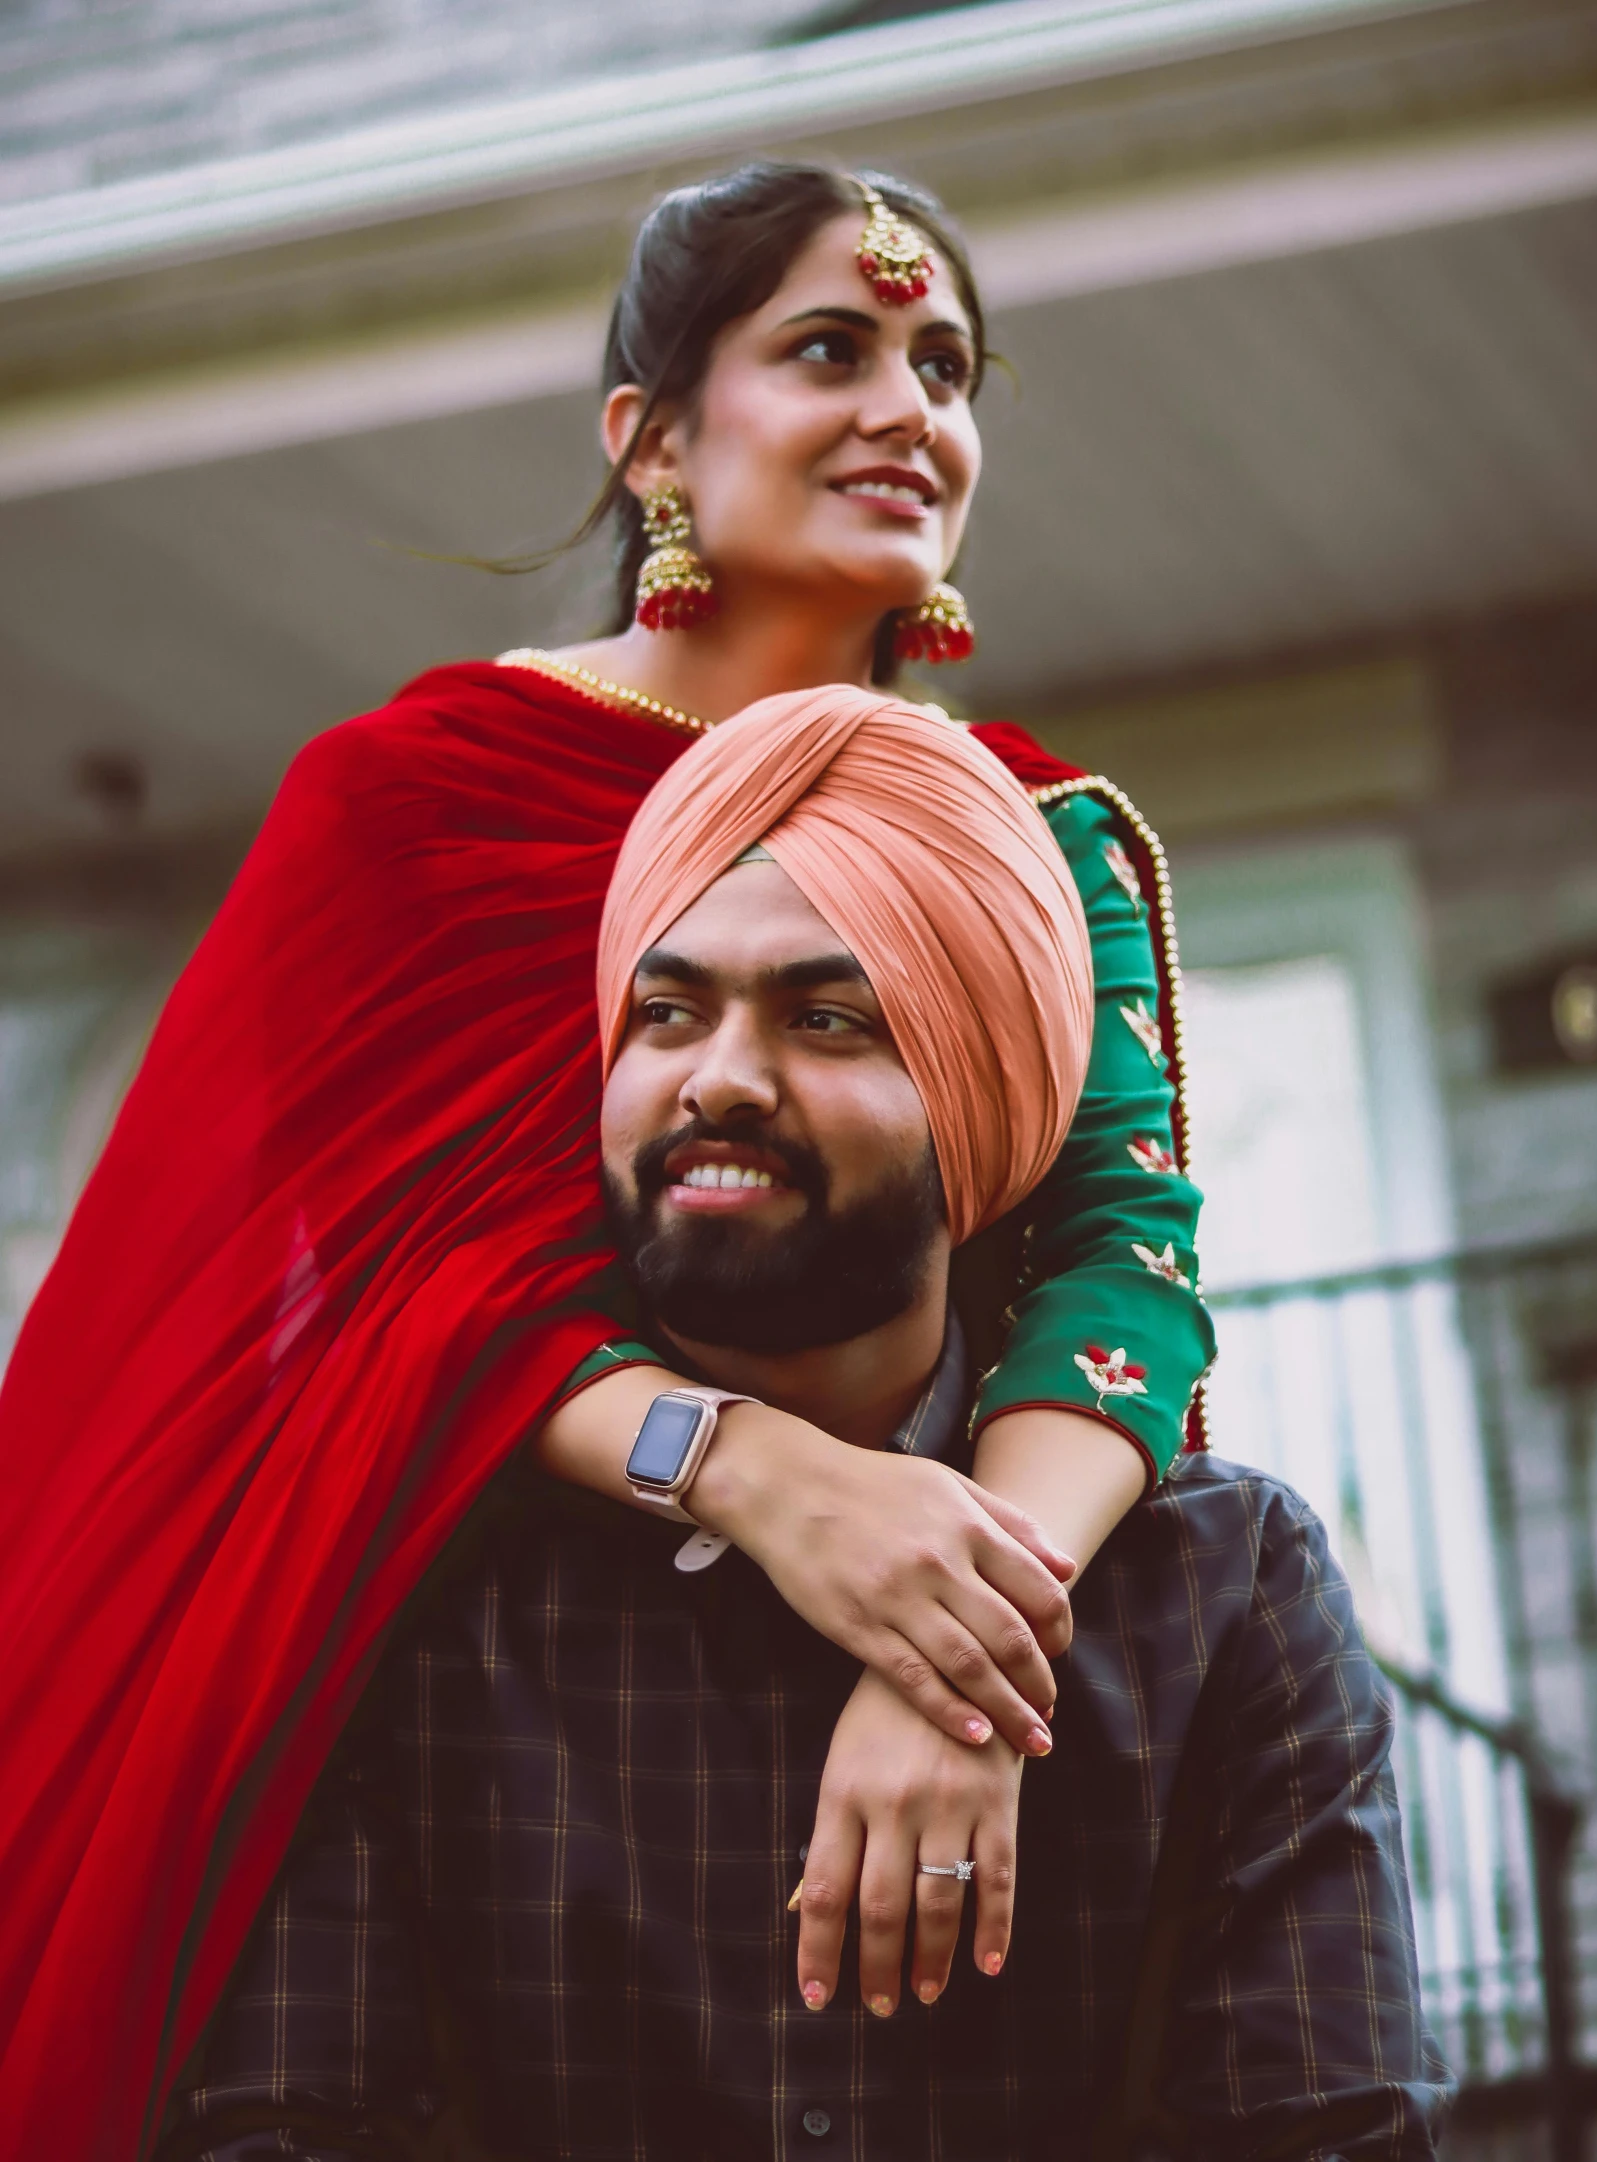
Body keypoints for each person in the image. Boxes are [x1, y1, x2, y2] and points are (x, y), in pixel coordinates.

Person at [0, 166, 1213, 2159]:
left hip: (964, 1748)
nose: (910, 408)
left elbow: (1124, 1262)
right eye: (831, 349)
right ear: (648, 435)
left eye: (946, 364)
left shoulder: (1040, 831)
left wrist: (964, 1643)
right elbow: (369, 1293)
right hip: (495, 1718)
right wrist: (758, 1473)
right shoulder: (415, 811)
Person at [159, 690, 1447, 2161]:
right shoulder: (426, 1594)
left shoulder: (1224, 1598)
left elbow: (1331, 2134)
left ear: (985, 1110)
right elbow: (282, 2129)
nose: (718, 1075)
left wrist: (967, 1665)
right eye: (665, 1010)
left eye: (827, 1016)